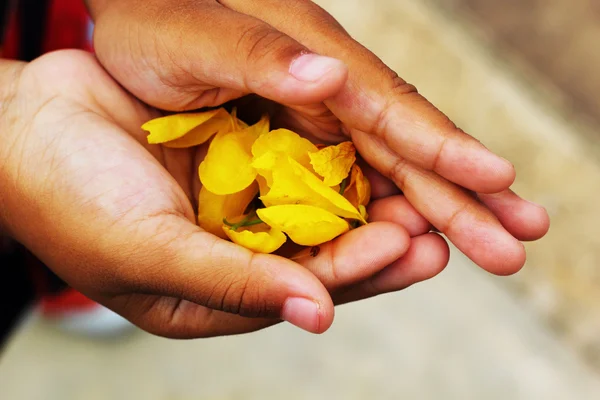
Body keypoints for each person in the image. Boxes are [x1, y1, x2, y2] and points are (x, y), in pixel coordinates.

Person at [0, 0, 549, 341]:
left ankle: (64, 280)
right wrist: (13, 125)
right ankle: (58, 268)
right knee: (56, 229)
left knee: (83, 243)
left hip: (47, 28)